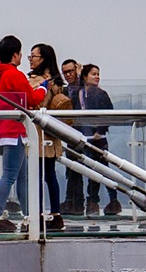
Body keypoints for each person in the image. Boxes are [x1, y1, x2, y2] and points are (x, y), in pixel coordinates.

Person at [0, 36, 45, 232]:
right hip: (15, 130)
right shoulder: (14, 74)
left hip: (3, 129)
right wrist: (43, 89)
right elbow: (32, 99)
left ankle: (28, 214)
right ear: (15, 55)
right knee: (10, 175)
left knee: (21, 176)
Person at [28, 43, 71, 231]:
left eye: (33, 56)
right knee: (50, 175)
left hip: (37, 134)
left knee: (36, 176)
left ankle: (37, 214)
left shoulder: (37, 81)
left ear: (43, 59)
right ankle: (56, 214)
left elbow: (32, 102)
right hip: (52, 134)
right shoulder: (57, 82)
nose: (30, 60)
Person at [77, 62, 123, 216]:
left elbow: (109, 113)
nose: (97, 77)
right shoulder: (79, 93)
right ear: (85, 77)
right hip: (86, 137)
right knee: (96, 170)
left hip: (98, 138)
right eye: (93, 74)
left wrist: (100, 130)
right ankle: (102, 201)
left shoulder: (100, 93)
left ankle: (99, 201)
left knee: (101, 170)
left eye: (98, 74)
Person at [61, 59, 87, 215]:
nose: (68, 75)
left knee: (83, 168)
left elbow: (81, 102)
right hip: (70, 133)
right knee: (72, 169)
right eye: (65, 72)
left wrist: (80, 77)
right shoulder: (65, 91)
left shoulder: (83, 88)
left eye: (71, 71)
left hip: (84, 132)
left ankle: (78, 202)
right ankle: (72, 201)